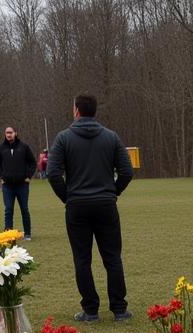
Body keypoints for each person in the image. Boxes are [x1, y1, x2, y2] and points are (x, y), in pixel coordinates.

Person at [47, 93, 133, 321]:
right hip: (105, 204)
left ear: (76, 111)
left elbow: (53, 172)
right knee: (113, 257)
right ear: (94, 111)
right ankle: (119, 309)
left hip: (77, 206)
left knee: (82, 259)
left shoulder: (63, 138)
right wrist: (113, 192)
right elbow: (127, 171)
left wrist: (67, 197)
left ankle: (91, 310)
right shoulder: (111, 137)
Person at [0, 125, 36, 239]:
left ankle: (27, 234)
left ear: (15, 133)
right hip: (7, 186)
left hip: (22, 185)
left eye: (11, 132)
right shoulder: (1, 148)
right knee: (8, 210)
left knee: (24, 209)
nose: (9, 134)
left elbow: (32, 162)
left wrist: (28, 176)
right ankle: (9, 235)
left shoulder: (24, 147)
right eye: (7, 132)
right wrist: (2, 176)